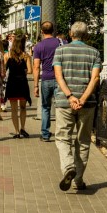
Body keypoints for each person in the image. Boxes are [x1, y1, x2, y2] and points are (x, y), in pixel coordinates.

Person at [53, 21, 102, 192]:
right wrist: (82, 98)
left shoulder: (60, 51)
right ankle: (78, 180)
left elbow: (59, 76)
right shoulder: (94, 53)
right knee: (83, 141)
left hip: (64, 101)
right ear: (86, 35)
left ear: (70, 33)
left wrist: (70, 96)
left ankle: (68, 167)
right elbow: (95, 79)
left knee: (62, 137)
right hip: (87, 104)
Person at [32, 21, 62, 142]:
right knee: (61, 107)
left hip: (46, 79)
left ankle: (45, 134)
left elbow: (36, 66)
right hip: (60, 80)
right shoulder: (61, 43)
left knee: (45, 107)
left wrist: (35, 85)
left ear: (42, 31)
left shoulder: (38, 46)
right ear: (53, 30)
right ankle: (61, 133)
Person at [4, 34, 32, 138]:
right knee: (23, 107)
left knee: (14, 109)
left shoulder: (8, 55)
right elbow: (30, 70)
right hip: (22, 83)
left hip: (12, 83)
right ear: (23, 44)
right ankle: (23, 128)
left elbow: (3, 70)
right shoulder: (26, 56)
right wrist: (23, 71)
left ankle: (16, 131)